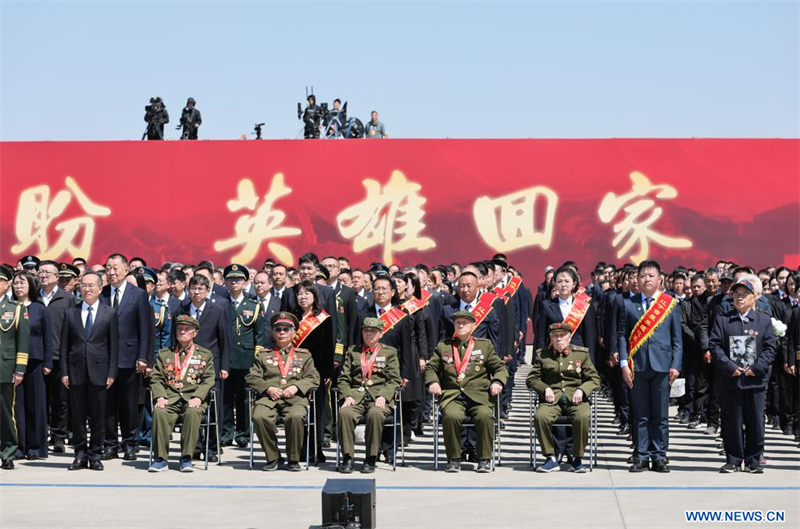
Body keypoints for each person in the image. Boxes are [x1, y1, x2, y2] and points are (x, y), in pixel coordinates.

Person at [617, 260, 682, 473]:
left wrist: (676, 364)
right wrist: (624, 364)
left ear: (660, 279)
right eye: (643, 275)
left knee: (661, 415)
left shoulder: (669, 303)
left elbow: (676, 339)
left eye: (651, 275)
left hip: (663, 367)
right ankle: (641, 456)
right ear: (637, 278)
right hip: (638, 367)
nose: (646, 279)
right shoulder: (628, 303)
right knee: (641, 414)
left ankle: (660, 456)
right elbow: (622, 337)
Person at [425, 310, 507, 473]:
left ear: (473, 326)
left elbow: (499, 367)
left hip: (479, 396)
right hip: (453, 396)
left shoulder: (484, 345)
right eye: (458, 323)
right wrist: (433, 381)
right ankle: (454, 458)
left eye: (465, 323)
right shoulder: (444, 346)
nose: (461, 325)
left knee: (484, 416)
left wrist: (497, 382)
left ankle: (484, 458)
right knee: (451, 416)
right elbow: (431, 367)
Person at [710, 276, 776, 473]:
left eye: (744, 294)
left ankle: (754, 459)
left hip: (755, 380)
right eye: (736, 294)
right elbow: (715, 346)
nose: (739, 298)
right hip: (732, 379)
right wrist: (730, 367)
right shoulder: (723, 319)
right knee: (732, 420)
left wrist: (756, 367)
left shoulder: (763, 321)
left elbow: (770, 348)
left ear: (754, 297)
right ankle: (734, 459)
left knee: (756, 420)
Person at [246, 312, 320, 471]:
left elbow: (314, 378)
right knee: (259, 417)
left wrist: (296, 387)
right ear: (273, 333)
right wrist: (267, 388)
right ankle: (273, 457)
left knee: (295, 417)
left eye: (286, 329)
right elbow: (252, 377)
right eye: (278, 329)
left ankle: (293, 459)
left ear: (293, 333)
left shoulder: (304, 355)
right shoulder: (263, 355)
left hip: (295, 399)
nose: (282, 332)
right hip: (269, 398)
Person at [60, 270, 119, 471]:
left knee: (98, 416)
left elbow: (113, 346)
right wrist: (64, 372)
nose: (87, 289)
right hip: (75, 372)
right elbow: (64, 346)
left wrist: (112, 373)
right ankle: (79, 454)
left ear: (100, 288)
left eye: (91, 285)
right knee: (77, 416)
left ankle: (95, 454)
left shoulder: (109, 313)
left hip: (100, 372)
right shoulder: (71, 312)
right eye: (83, 285)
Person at [527, 322, 600, 473]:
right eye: (555, 336)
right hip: (551, 399)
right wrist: (545, 388)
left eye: (562, 335)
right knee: (540, 417)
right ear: (550, 338)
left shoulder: (581, 354)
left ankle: (577, 458)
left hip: (576, 398)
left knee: (582, 417)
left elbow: (594, 379)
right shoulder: (543, 355)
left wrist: (582, 390)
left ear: (569, 337)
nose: (559, 339)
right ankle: (550, 457)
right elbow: (532, 379)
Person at [174, 274, 230, 462]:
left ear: (208, 291)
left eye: (200, 289)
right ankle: (195, 446)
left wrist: (224, 366)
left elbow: (225, 340)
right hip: (186, 367)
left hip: (211, 366)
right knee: (191, 406)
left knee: (214, 408)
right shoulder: (181, 309)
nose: (196, 292)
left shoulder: (218, 310)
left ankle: (213, 447)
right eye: (193, 288)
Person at [101, 253, 152, 461]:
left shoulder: (138, 295)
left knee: (130, 404)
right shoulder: (101, 293)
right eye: (108, 268)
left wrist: (143, 357)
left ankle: (130, 443)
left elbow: (145, 329)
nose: (111, 272)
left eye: (115, 268)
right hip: (103, 358)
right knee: (107, 404)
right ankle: (110, 444)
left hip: (130, 357)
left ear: (126, 270)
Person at [148, 315, 215, 472]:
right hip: (170, 397)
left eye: (186, 329)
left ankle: (186, 457)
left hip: (192, 398)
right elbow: (156, 377)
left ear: (195, 333)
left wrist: (198, 396)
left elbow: (208, 379)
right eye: (179, 329)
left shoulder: (205, 355)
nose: (182, 332)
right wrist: (160, 396)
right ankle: (161, 459)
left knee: (192, 413)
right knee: (159, 411)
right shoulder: (165, 354)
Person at [336, 317, 402, 474]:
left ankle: (371, 457)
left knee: (375, 414)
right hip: (355, 397)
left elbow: (394, 379)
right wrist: (347, 395)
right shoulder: (353, 352)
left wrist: (384, 397)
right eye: (366, 331)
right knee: (345, 413)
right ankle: (347, 457)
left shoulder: (389, 353)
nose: (369, 334)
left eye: (373, 331)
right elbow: (344, 378)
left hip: (378, 398)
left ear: (380, 334)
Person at [222, 263, 266, 449]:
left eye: (238, 279)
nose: (234, 282)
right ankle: (225, 433)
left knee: (244, 398)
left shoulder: (254, 305)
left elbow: (260, 335)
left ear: (245, 282)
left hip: (246, 357)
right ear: (225, 281)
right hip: (225, 357)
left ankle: (243, 434)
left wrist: (257, 360)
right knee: (225, 397)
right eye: (231, 278)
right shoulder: (220, 302)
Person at [12, 272, 53, 460]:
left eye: (22, 283)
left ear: (31, 285)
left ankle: (36, 447)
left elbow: (47, 337)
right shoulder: (10, 308)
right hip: (13, 363)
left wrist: (48, 361)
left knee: (36, 405)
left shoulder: (39, 308)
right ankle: (19, 446)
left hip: (36, 361)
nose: (18, 286)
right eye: (15, 283)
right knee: (17, 406)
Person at [292, 280, 334, 461]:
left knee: (316, 411)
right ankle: (298, 449)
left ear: (314, 297)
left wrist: (326, 373)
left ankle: (315, 449)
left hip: (316, 370)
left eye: (307, 293)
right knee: (297, 411)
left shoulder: (323, 318)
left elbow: (327, 347)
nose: (303, 297)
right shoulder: (291, 317)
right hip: (292, 370)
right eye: (300, 293)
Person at [37, 260, 75, 454]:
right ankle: (39, 435)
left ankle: (58, 436)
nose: (43, 275)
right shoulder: (31, 297)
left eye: (48, 272)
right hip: (36, 357)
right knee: (39, 399)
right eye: (41, 272)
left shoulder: (67, 299)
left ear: (57, 277)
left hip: (60, 356)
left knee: (60, 399)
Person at [0, 265, 31, 470]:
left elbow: (23, 341)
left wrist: (19, 369)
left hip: (5, 367)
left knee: (5, 413)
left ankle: (8, 452)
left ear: (6, 283)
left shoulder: (16, 308)